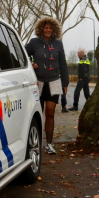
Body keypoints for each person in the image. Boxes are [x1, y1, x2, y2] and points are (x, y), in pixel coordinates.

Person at [25, 17, 68, 154]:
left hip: (54, 82)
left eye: (50, 28)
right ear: (41, 29)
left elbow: (63, 64)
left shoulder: (58, 44)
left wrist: (65, 82)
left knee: (50, 112)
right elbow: (22, 55)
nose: (48, 30)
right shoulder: (34, 42)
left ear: (54, 29)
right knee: (38, 113)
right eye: (46, 28)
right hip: (38, 82)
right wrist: (31, 63)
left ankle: (49, 144)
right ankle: (36, 144)